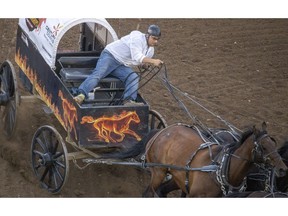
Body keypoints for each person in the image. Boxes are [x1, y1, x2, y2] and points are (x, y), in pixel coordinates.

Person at [73, 24, 164, 105]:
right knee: (99, 74)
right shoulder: (137, 39)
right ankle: (81, 94)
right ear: (147, 35)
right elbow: (138, 57)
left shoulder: (150, 50)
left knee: (133, 77)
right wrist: (153, 61)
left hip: (122, 64)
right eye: (154, 38)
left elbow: (141, 62)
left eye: (157, 39)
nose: (155, 41)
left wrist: (145, 65)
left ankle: (128, 101)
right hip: (111, 56)